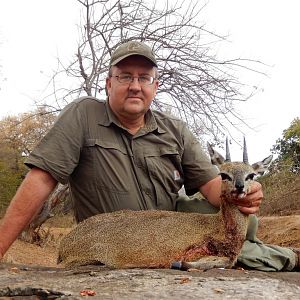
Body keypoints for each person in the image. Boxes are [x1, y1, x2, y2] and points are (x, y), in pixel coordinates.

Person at [0, 41, 298, 271]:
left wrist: (243, 191)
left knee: (246, 226)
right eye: (125, 76)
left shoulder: (175, 129)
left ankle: (288, 258)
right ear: (108, 83)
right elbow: (41, 179)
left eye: (144, 77)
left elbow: (212, 189)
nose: (134, 85)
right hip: (114, 236)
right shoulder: (83, 115)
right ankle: (285, 258)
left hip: (169, 230)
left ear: (155, 86)